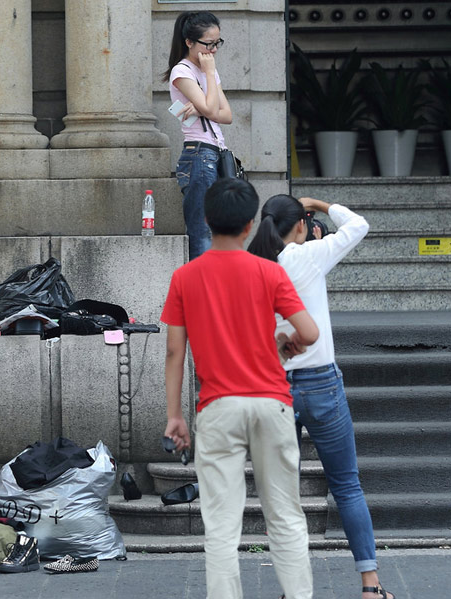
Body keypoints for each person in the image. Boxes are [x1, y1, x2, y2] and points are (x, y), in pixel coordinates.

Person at [161, 178, 319, 599]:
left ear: (207, 220)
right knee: (285, 515)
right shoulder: (269, 271)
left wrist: (175, 415)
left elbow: (175, 353)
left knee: (221, 523)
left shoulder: (185, 277)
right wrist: (286, 342)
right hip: (272, 403)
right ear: (251, 224)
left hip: (218, 408)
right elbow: (310, 332)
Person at [247, 195, 395, 599]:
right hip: (321, 385)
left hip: (274, 389)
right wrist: (321, 203)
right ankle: (370, 586)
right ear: (299, 225)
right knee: (346, 486)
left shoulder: (252, 269)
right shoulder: (307, 255)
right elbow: (359, 225)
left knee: (282, 496)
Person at [163, 11, 233, 260]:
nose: (213, 50)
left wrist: (206, 99)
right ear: (189, 42)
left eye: (217, 43)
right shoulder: (182, 72)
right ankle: (200, 292)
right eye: (208, 44)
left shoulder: (207, 72)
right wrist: (208, 85)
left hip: (216, 153)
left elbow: (227, 115)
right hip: (198, 156)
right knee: (200, 229)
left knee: (217, 228)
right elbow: (214, 109)